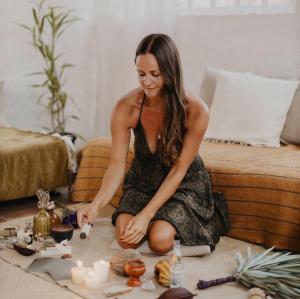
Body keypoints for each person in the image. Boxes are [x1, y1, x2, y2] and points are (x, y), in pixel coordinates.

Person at [77, 33, 230, 254]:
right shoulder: (125, 107)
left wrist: (146, 215)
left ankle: (184, 223)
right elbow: (116, 165)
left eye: (155, 74)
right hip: (142, 181)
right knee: (126, 239)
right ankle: (157, 222)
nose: (146, 82)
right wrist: (95, 206)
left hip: (182, 184)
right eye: (141, 74)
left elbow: (179, 169)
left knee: (159, 241)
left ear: (170, 71)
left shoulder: (196, 111)